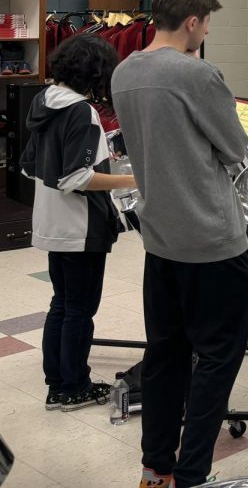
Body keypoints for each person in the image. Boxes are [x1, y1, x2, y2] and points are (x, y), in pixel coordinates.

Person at [111, 0, 248, 488]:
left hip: (161, 240)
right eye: (208, 22)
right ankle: (192, 474)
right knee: (217, 360)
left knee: (165, 356)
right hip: (213, 240)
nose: (207, 31)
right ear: (193, 21)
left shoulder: (124, 72)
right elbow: (236, 146)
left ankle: (156, 469)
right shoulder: (197, 74)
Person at [23, 35, 137, 412]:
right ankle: (74, 386)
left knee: (62, 303)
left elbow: (30, 166)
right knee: (79, 310)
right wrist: (131, 179)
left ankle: (58, 383)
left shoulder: (43, 100)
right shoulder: (81, 112)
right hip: (80, 227)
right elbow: (76, 178)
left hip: (51, 222)